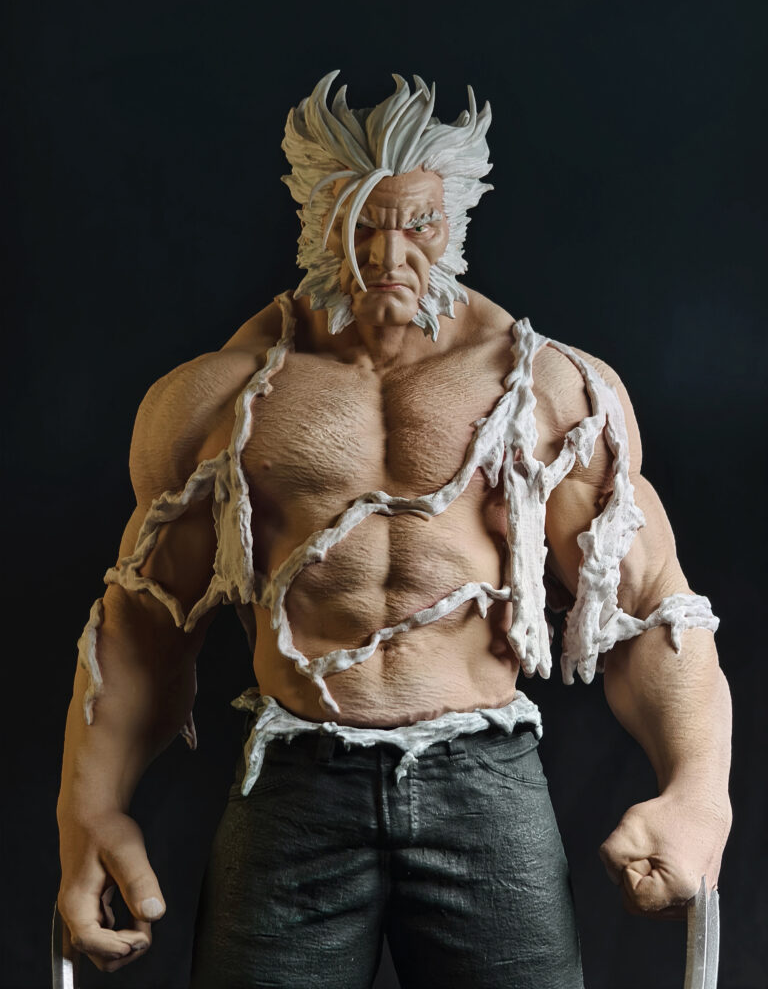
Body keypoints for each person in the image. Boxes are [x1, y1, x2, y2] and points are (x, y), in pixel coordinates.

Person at [56, 72, 732, 989]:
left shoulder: (545, 391)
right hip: (295, 779)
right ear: (314, 221)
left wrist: (699, 792)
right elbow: (144, 618)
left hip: (483, 781)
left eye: (417, 225)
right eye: (359, 224)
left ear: (454, 223)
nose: (388, 253)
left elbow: (653, 608)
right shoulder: (223, 400)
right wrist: (89, 811)